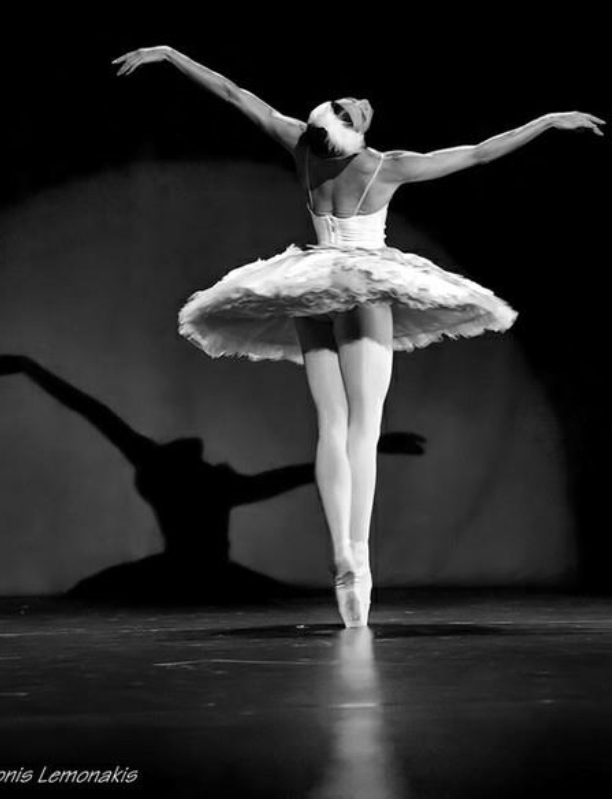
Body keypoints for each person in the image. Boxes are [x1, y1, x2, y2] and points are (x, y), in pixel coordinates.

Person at [112, 44, 604, 627]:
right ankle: (359, 558)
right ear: (350, 127)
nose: (360, 101)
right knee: (363, 428)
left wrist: (170, 55)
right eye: (353, 106)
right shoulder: (385, 166)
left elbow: (232, 94)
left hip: (311, 283)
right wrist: (545, 122)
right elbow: (476, 154)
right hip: (364, 282)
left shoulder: (301, 143)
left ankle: (341, 554)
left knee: (331, 424)